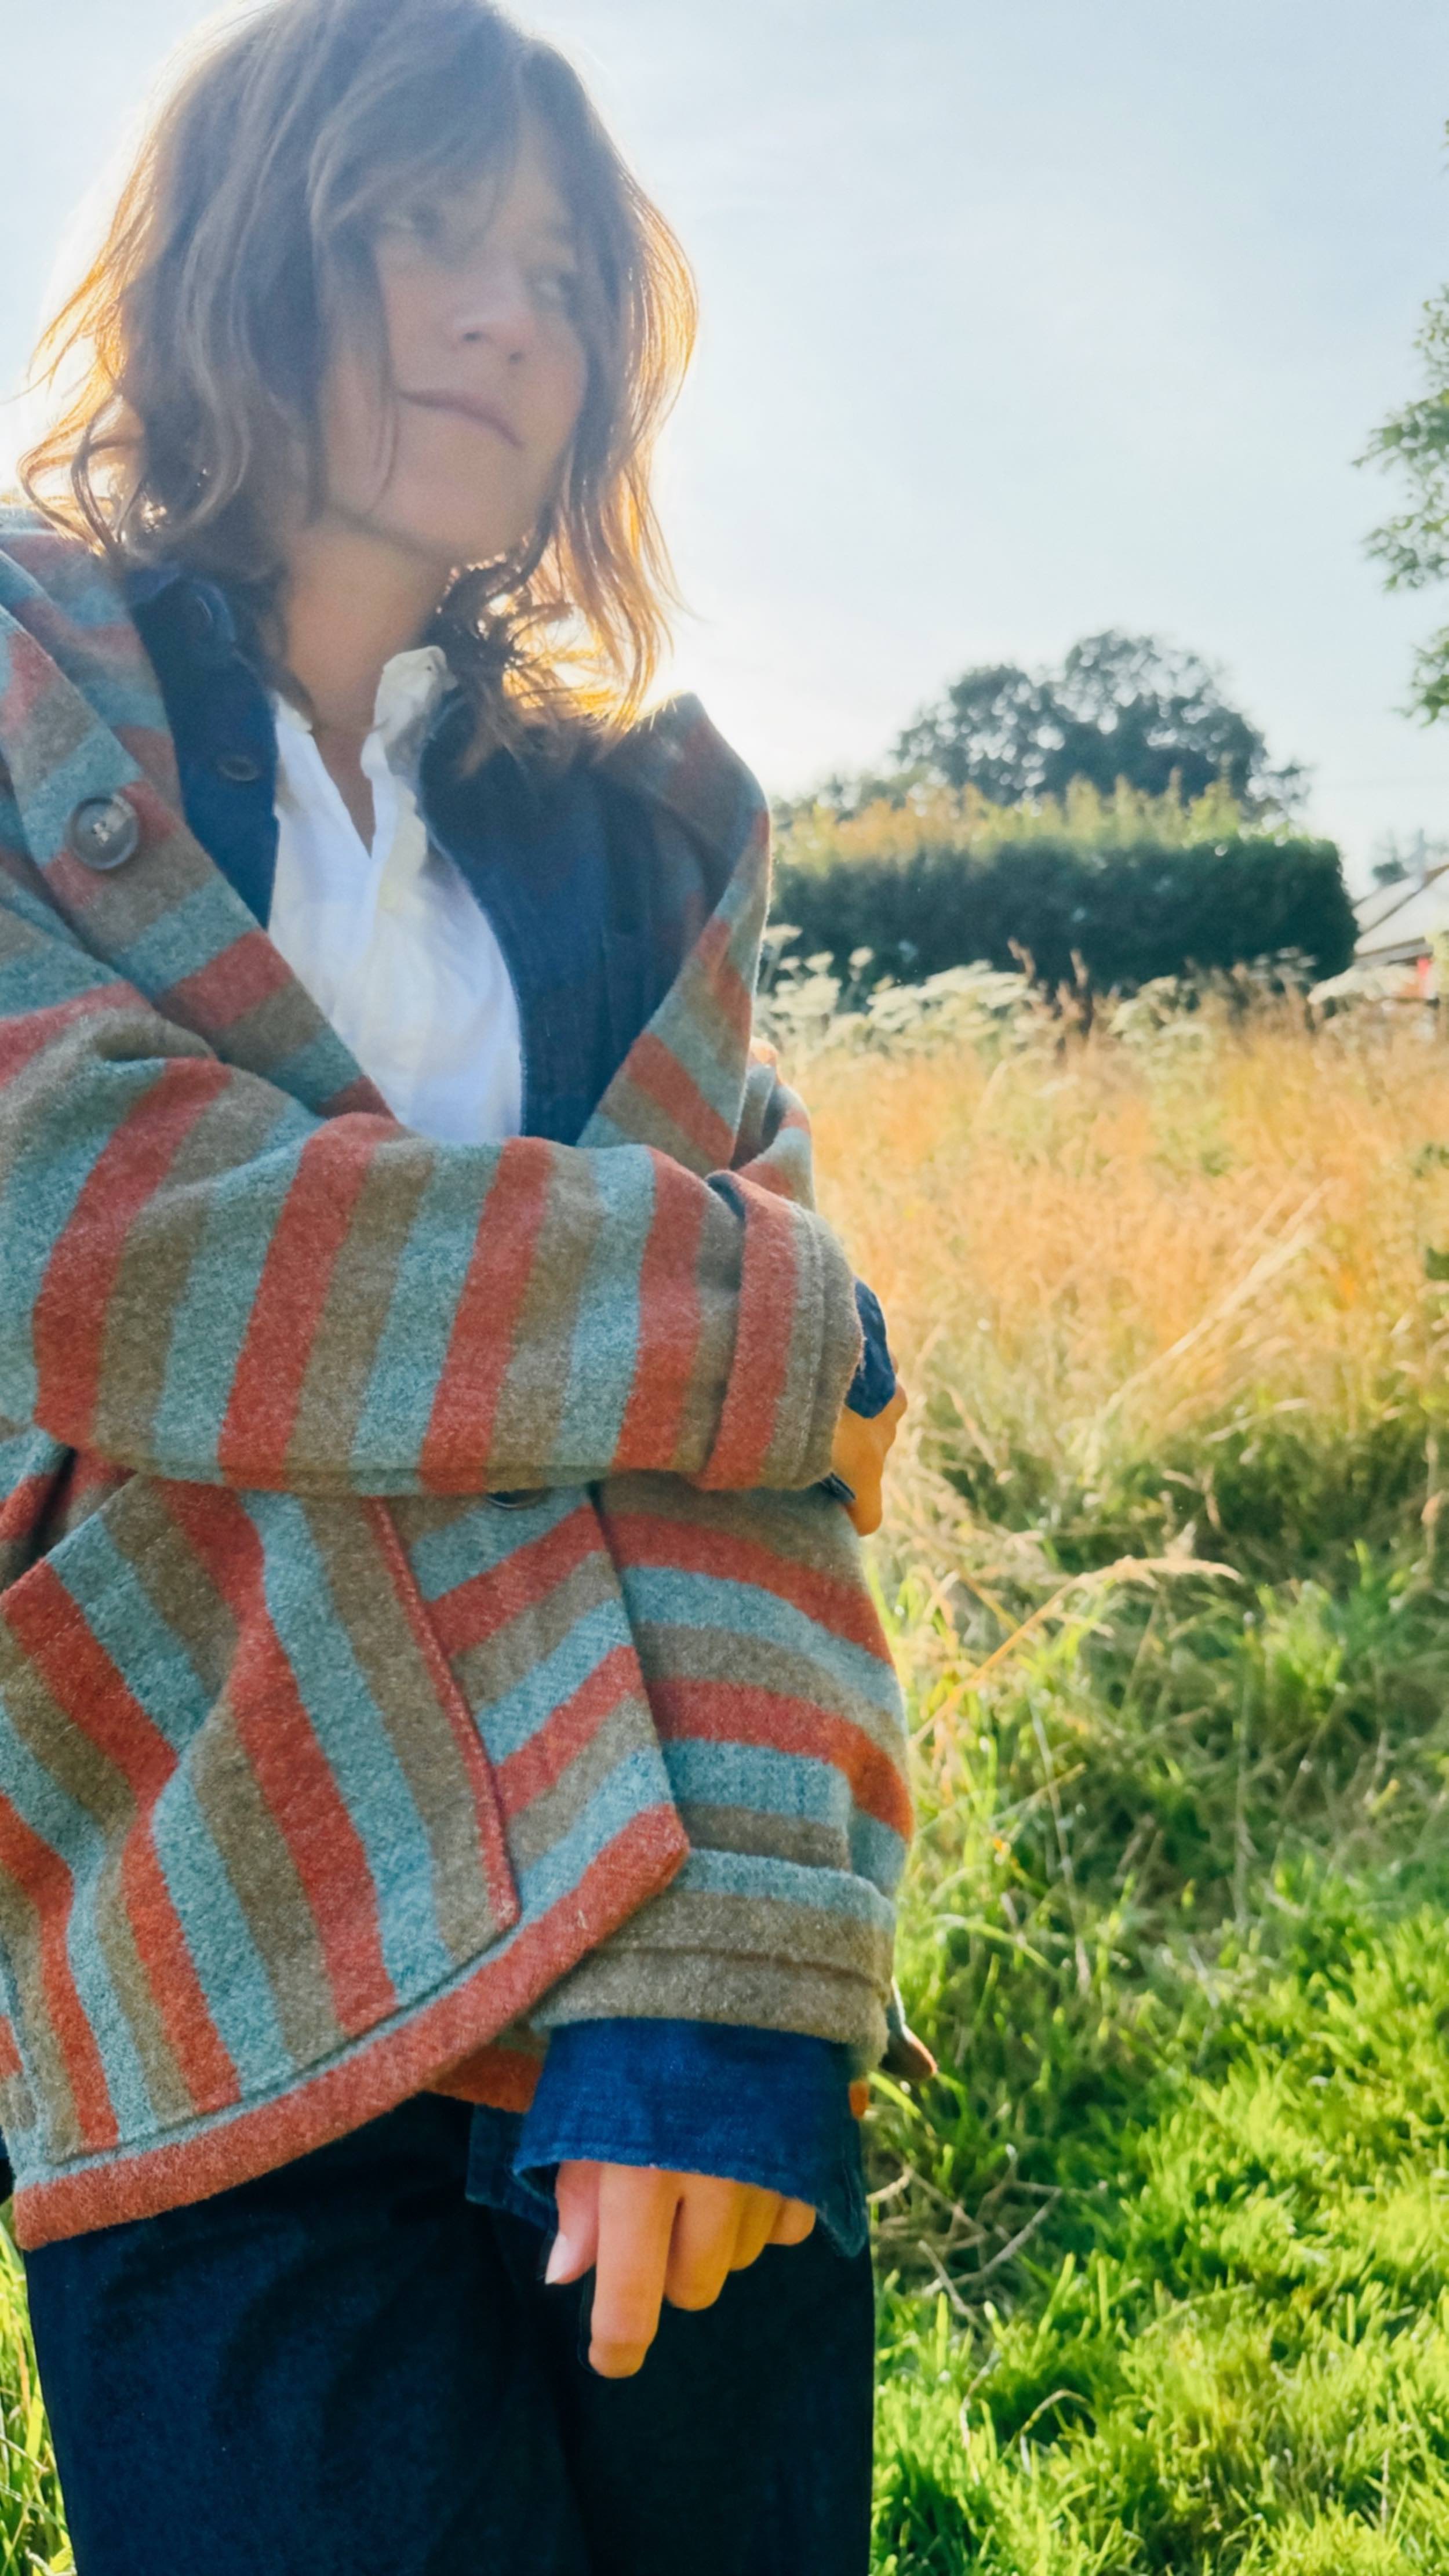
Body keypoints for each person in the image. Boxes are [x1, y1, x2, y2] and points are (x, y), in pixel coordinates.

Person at [0, 2, 923, 2567]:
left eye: (558, 272)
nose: (513, 317)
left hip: (653, 1962)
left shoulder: (635, 843)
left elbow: (776, 1509)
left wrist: (724, 2005)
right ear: (242, 236)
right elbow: (95, 1238)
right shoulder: (21, 709)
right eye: (429, 228)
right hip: (203, 1961)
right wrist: (747, 1313)